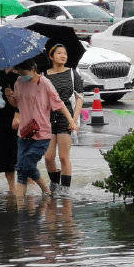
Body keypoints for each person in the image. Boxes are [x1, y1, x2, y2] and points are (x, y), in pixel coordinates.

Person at [10, 58, 64, 199]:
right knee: (22, 170)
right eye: (20, 73)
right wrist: (9, 95)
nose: (22, 75)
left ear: (33, 68)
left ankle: (45, 190)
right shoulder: (19, 82)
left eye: (24, 72)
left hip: (42, 133)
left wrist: (71, 121)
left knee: (26, 164)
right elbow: (16, 103)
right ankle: (21, 206)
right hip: (23, 132)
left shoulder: (44, 83)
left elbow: (58, 102)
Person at [42, 45, 81, 194]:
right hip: (48, 118)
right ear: (51, 56)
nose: (63, 56)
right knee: (48, 156)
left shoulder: (72, 73)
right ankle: (54, 184)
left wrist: (74, 119)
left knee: (64, 157)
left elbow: (80, 98)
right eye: (59, 53)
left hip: (67, 117)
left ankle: (65, 190)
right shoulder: (44, 75)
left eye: (65, 53)